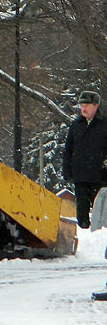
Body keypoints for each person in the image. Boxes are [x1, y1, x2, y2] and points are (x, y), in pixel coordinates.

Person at [61, 90, 107, 229]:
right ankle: (84, 230)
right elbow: (68, 149)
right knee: (81, 210)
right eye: (81, 105)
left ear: (96, 106)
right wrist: (67, 170)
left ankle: (99, 235)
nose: (83, 108)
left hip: (100, 176)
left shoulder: (104, 124)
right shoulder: (77, 125)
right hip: (80, 175)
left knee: (99, 209)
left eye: (86, 105)